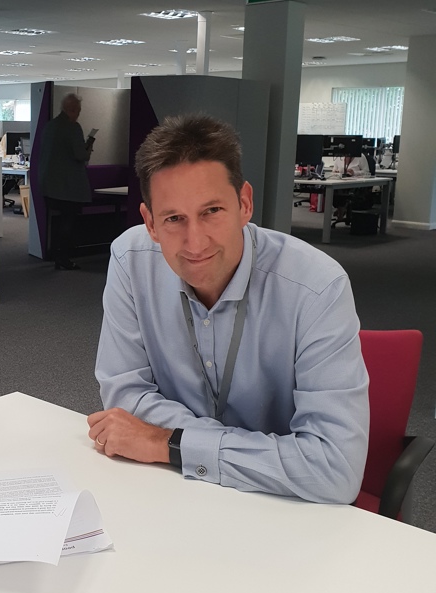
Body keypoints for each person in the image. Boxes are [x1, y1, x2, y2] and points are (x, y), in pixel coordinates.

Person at [88, 114, 369, 504]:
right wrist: (240, 453)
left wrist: (171, 444)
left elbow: (333, 468)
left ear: (244, 203)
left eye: (212, 211)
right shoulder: (130, 260)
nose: (195, 242)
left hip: (280, 508)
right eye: (173, 219)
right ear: (150, 223)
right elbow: (125, 394)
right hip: (176, 492)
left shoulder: (316, 287)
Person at [39, 92, 95, 270]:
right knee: (68, 223)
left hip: (49, 185)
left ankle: (56, 256)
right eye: (77, 111)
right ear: (72, 110)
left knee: (57, 222)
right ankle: (63, 259)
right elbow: (80, 155)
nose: (78, 114)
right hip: (69, 187)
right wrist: (89, 146)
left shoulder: (50, 126)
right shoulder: (73, 127)